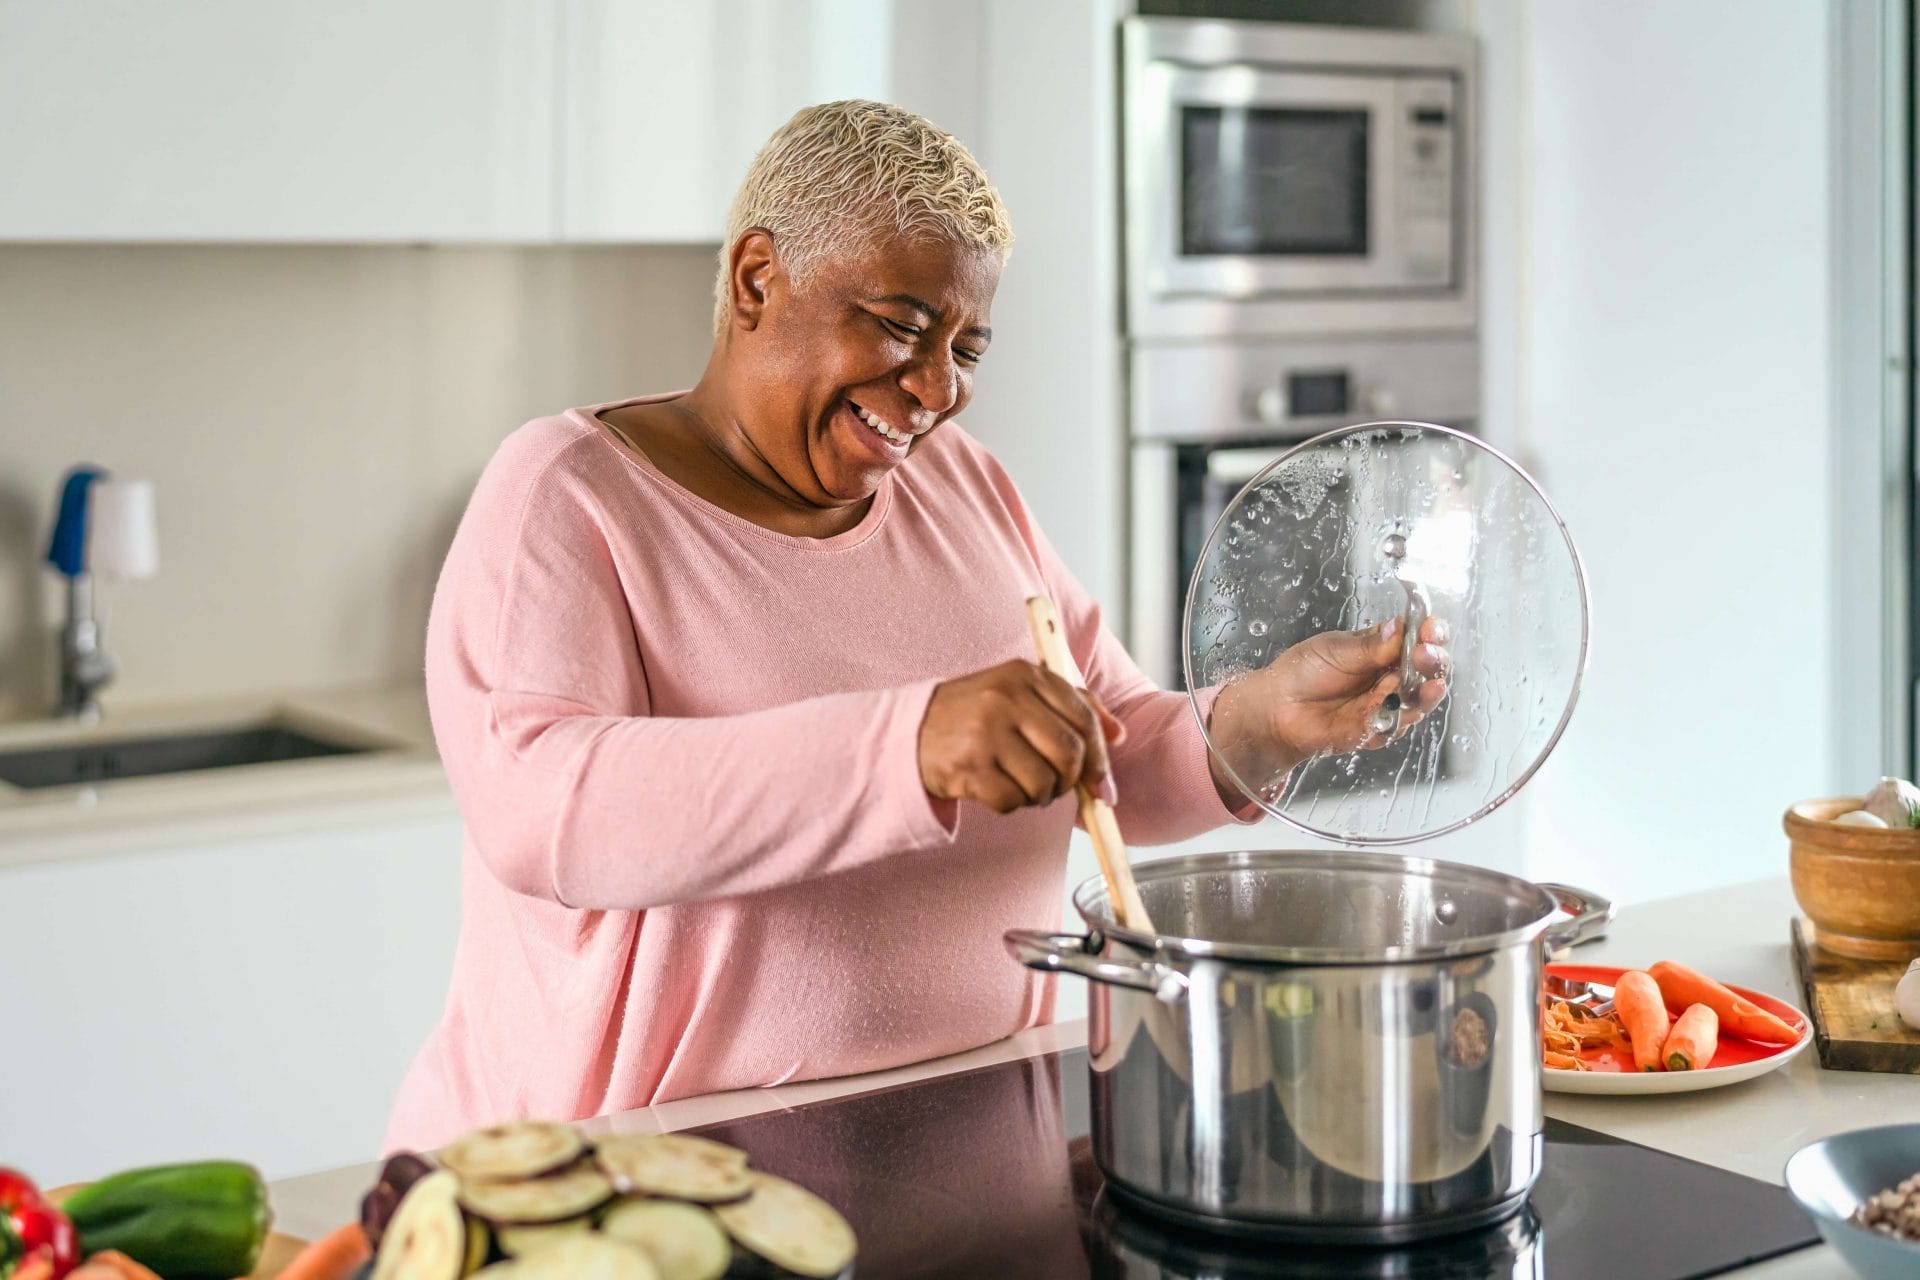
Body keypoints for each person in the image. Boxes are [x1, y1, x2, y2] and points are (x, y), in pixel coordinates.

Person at [384, 100, 1447, 1151]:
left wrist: (1259, 720)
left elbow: (1105, 749)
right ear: (759, 279)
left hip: (975, 1139)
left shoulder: (964, 486)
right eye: (899, 324)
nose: (939, 387)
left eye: (966, 345)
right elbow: (545, 807)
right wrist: (907, 745)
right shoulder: (571, 495)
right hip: (634, 1181)